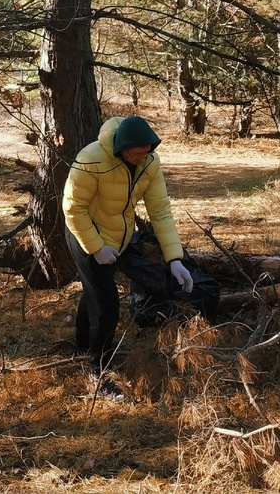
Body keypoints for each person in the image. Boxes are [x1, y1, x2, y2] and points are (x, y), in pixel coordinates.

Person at [62, 115, 192, 389]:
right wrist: (96, 248)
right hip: (84, 234)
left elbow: (160, 210)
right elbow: (73, 209)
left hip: (119, 238)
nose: (143, 158)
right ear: (122, 148)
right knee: (107, 304)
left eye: (148, 153)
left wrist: (174, 258)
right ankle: (98, 372)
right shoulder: (91, 160)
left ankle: (83, 345)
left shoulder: (148, 163)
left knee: (94, 293)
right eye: (137, 154)